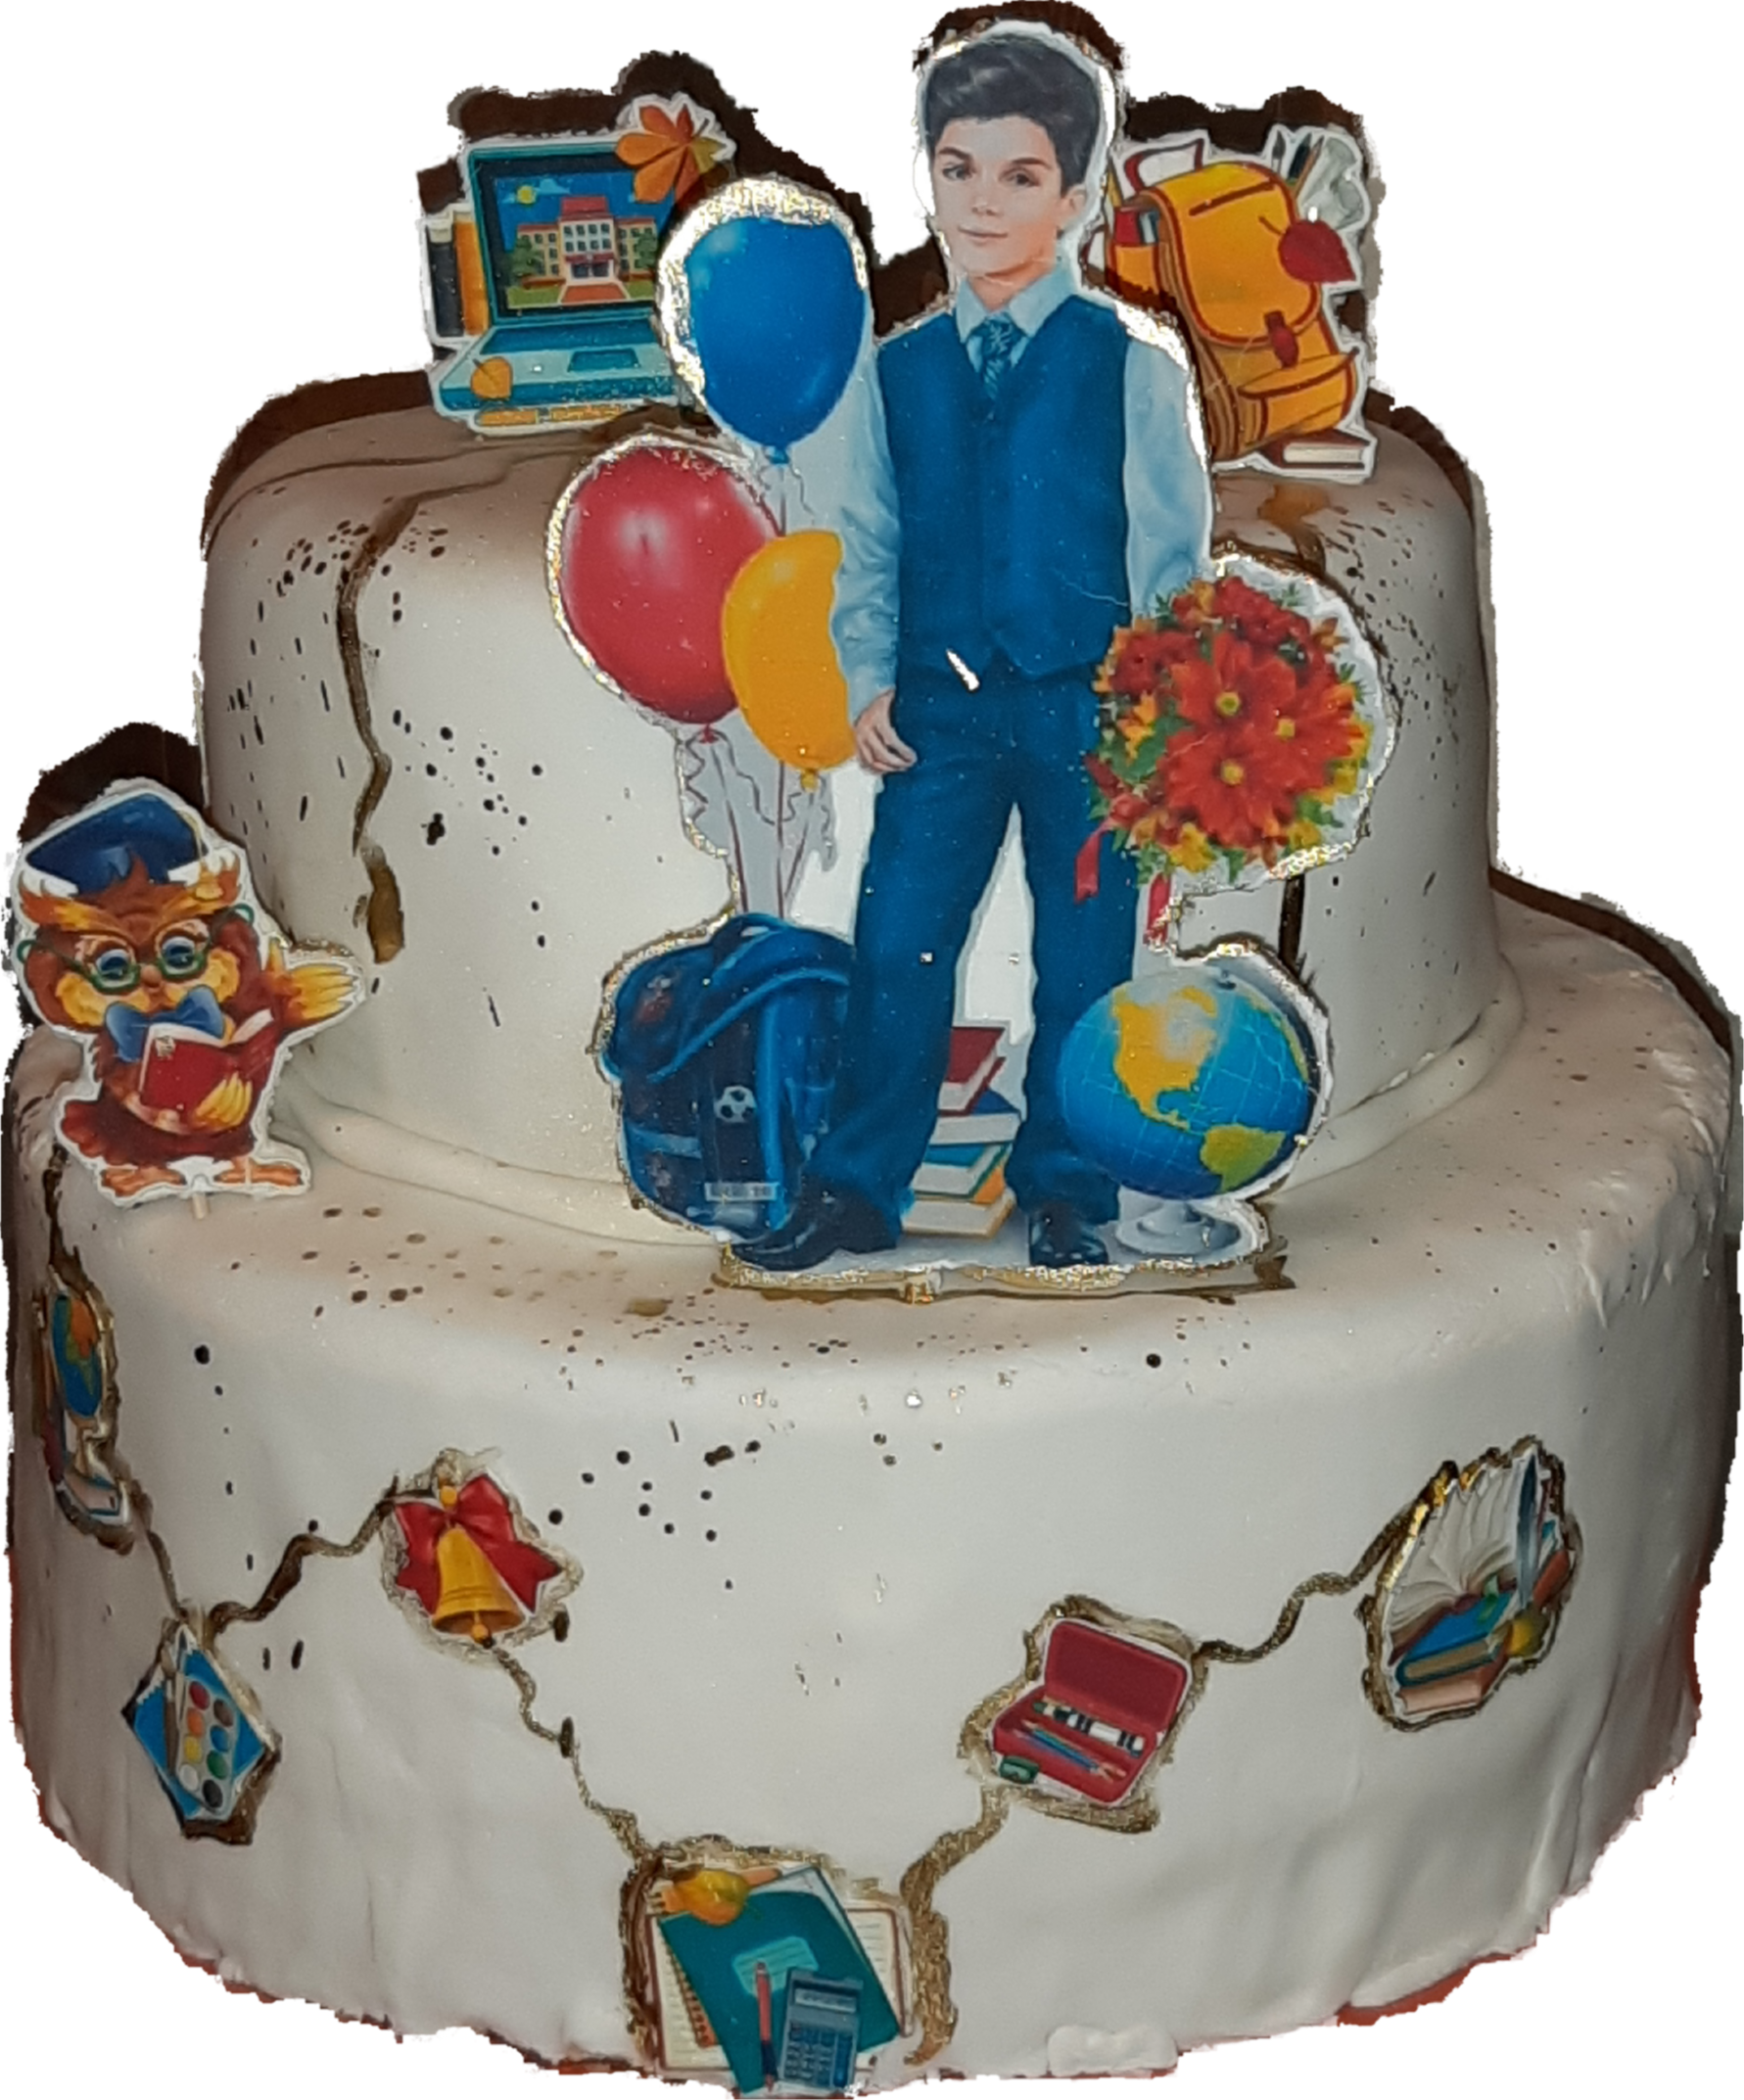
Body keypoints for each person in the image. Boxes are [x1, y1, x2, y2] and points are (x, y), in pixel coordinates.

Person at [746, 26, 1210, 1272]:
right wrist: (866, 681)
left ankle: (1069, 1187)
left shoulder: (1131, 367)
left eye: (1019, 176)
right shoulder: (894, 372)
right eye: (957, 170)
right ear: (922, 177)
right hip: (939, 719)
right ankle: (856, 1186)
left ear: (1074, 194)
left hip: (1085, 718)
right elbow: (868, 542)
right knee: (898, 945)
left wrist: (1158, 715)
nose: (983, 204)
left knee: (1083, 960)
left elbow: (1169, 558)